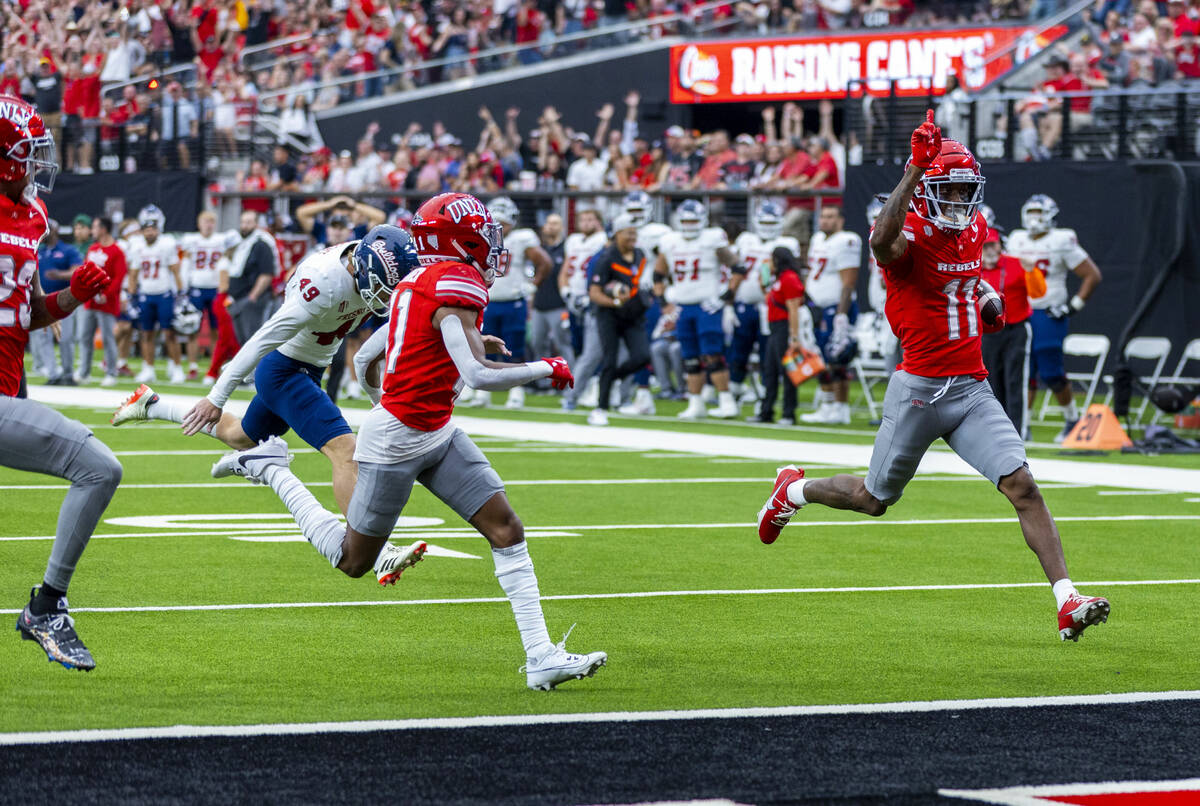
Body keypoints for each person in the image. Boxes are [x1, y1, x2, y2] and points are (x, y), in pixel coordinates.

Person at [213, 192, 605, 690]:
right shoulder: (454, 284)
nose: (489, 241)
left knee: (506, 529)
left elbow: (364, 360)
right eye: (481, 233)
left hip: (434, 429)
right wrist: (544, 367)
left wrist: (396, 393)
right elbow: (477, 377)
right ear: (456, 242)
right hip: (399, 441)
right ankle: (272, 469)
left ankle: (541, 656)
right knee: (353, 561)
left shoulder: (415, 279)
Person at [756, 112, 1111, 643]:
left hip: (970, 388)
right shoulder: (905, 235)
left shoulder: (975, 229)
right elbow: (881, 240)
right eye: (947, 190)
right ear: (923, 190)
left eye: (966, 189)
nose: (959, 201)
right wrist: (913, 172)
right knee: (872, 501)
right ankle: (795, 491)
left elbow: (968, 281)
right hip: (918, 391)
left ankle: (1067, 599)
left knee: (1024, 487)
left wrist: (986, 297)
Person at [112, 225, 413, 534]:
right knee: (345, 451)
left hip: (310, 366)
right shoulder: (324, 283)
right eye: (381, 285)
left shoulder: (374, 258)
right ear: (362, 269)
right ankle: (372, 549)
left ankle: (153, 405)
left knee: (239, 436)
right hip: (285, 369)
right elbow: (262, 340)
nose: (384, 296)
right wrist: (217, 396)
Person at [1, 95, 123, 670]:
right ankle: (46, 608)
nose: (38, 166)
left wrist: (76, 294)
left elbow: (26, 314)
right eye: (28, 156)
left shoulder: (32, 216)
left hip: (8, 388)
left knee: (100, 468)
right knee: (99, 467)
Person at [1005, 194, 1102, 442]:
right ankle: (1021, 425)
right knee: (1023, 370)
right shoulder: (1015, 240)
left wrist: (1073, 307)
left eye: (1040, 212)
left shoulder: (1062, 240)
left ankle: (1072, 419)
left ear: (1051, 216)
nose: (1034, 218)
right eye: (1031, 212)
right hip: (1020, 311)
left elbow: (1092, 275)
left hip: (1048, 312)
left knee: (1050, 371)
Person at [654, 200, 743, 420]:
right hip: (684, 306)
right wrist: (663, 301)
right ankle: (696, 403)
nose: (690, 225)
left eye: (694, 220)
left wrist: (725, 296)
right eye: (686, 220)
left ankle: (726, 400)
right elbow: (658, 274)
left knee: (713, 354)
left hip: (707, 305)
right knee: (690, 358)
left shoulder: (712, 239)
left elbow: (738, 267)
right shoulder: (670, 242)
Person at [462, 196, 551, 409]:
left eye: (504, 222)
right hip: (489, 302)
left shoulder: (522, 238)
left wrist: (533, 285)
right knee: (483, 347)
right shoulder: (483, 240)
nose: (500, 226)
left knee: (514, 348)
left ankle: (517, 391)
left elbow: (544, 262)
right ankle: (484, 392)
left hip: (513, 301)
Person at [731, 201, 800, 411]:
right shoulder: (746, 240)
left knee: (774, 360)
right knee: (743, 352)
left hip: (776, 314)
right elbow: (755, 277)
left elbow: (789, 300)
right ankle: (752, 397)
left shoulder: (787, 267)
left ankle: (776, 403)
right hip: (753, 307)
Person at [586, 214, 652, 427]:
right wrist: (614, 300)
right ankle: (600, 408)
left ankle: (611, 379)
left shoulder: (640, 255)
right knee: (610, 359)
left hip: (633, 314)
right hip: (610, 314)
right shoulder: (605, 258)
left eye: (634, 231)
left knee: (642, 356)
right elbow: (594, 292)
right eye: (628, 232)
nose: (633, 236)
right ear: (616, 234)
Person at [981, 227, 1046, 436]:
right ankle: (996, 431)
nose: (990, 249)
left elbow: (1039, 293)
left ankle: (1018, 431)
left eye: (993, 244)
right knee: (991, 382)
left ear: (1000, 245)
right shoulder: (974, 269)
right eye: (985, 246)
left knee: (1015, 380)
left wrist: (1031, 271)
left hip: (1015, 329)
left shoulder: (1015, 263)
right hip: (988, 332)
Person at [801, 205, 863, 425]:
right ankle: (827, 406)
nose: (825, 221)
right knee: (820, 359)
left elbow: (848, 283)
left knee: (837, 359)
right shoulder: (818, 238)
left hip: (835, 308)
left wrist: (841, 315)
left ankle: (841, 408)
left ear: (840, 220)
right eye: (823, 216)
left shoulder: (846, 240)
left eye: (830, 217)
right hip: (816, 308)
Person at [125, 204, 186, 384]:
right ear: (142, 231)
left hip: (164, 295)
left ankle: (176, 368)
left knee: (169, 333)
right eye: (147, 230)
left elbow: (176, 271)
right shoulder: (137, 247)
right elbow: (133, 274)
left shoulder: (167, 245)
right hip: (145, 295)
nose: (149, 233)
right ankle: (148, 368)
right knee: (146, 333)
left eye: (152, 229)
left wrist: (181, 294)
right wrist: (131, 296)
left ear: (158, 230)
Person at [558, 207, 608, 410]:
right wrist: (566, 292)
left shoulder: (603, 239)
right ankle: (583, 388)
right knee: (579, 347)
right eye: (583, 219)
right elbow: (565, 270)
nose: (586, 223)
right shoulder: (573, 241)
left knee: (592, 350)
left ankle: (591, 386)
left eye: (591, 219)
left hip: (593, 299)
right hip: (574, 299)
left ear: (599, 221)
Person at [180, 211, 237, 381]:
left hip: (215, 289)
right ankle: (192, 366)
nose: (209, 224)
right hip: (196, 286)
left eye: (212, 221)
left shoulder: (221, 240)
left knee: (216, 331)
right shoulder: (191, 240)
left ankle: (215, 366)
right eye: (205, 221)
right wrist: (184, 287)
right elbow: (186, 263)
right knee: (192, 328)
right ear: (199, 223)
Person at [757, 247, 808, 425]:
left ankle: (788, 413)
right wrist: (763, 277)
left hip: (784, 328)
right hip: (773, 328)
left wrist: (793, 337)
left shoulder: (789, 278)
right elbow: (768, 297)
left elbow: (793, 310)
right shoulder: (778, 279)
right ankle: (766, 411)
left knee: (787, 371)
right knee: (769, 370)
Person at [31, 219, 83, 384]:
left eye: (48, 229)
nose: (45, 232)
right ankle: (52, 374)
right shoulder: (39, 250)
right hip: (42, 300)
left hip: (63, 301)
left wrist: (59, 275)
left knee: (65, 338)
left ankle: (68, 374)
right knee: (43, 338)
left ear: (56, 230)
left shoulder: (67, 250)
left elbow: (77, 271)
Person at [77, 216, 128, 386]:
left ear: (104, 229)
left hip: (106, 302)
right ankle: (84, 372)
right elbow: (85, 270)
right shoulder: (92, 248)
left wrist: (107, 293)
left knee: (108, 338)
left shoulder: (116, 251)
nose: (92, 230)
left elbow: (119, 277)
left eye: (95, 227)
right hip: (90, 300)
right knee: (85, 336)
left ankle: (111, 373)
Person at [529, 212, 574, 383]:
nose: (550, 226)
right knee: (538, 343)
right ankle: (544, 381)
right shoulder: (539, 250)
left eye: (555, 223)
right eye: (548, 223)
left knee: (563, 344)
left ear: (562, 227)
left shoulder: (566, 249)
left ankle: (570, 378)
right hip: (539, 305)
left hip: (558, 305)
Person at [225, 209, 278, 349]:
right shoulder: (242, 243)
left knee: (253, 341)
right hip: (238, 299)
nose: (244, 226)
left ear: (256, 224)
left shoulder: (261, 244)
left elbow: (266, 273)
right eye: (242, 222)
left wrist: (253, 296)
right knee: (243, 342)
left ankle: (257, 371)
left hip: (252, 300)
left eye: (248, 222)